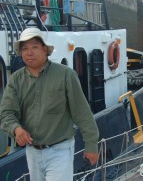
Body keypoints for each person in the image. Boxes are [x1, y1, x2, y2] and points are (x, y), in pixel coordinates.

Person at [0, 28, 99, 181]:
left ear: (45, 50)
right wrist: (16, 129)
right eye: (25, 48)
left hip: (60, 150)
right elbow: (6, 113)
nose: (29, 52)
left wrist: (91, 145)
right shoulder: (15, 80)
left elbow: (82, 113)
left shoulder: (66, 75)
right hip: (32, 152)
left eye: (34, 47)